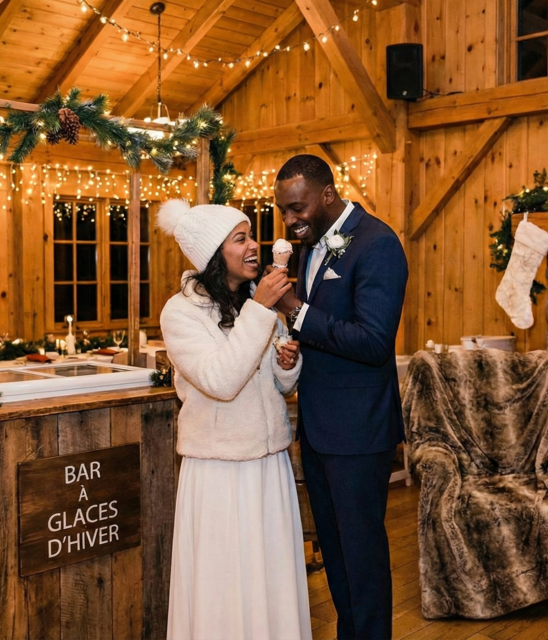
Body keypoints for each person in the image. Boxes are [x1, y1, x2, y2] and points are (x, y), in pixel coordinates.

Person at [157, 199, 312, 640]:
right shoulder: (181, 312)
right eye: (240, 238)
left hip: (268, 463)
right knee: (224, 582)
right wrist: (263, 310)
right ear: (212, 254)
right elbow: (220, 381)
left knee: (270, 576)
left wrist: (286, 364)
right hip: (220, 470)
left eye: (251, 235)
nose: (254, 245)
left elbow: (278, 389)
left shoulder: (251, 300)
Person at [271, 155, 409, 639]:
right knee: (334, 552)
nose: (290, 221)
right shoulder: (313, 247)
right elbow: (325, 335)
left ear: (327, 195)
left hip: (358, 430)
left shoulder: (378, 243)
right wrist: (295, 349)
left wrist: (295, 310)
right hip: (319, 426)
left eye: (297, 208)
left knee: (362, 557)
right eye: (283, 211)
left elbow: (373, 342)